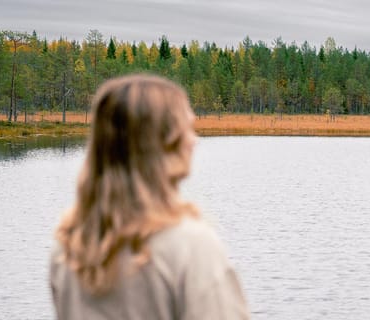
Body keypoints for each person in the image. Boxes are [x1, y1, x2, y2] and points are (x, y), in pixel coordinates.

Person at [50, 74, 249, 319]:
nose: (194, 141)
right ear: (161, 144)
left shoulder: (70, 248)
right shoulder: (191, 247)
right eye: (186, 129)